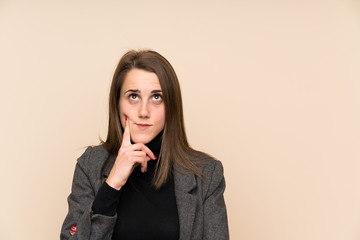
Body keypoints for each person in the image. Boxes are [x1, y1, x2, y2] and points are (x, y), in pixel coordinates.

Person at [60, 50, 229, 240]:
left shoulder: (206, 173)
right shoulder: (90, 164)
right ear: (117, 103)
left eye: (157, 97)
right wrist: (112, 184)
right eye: (133, 96)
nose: (143, 111)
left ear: (171, 106)